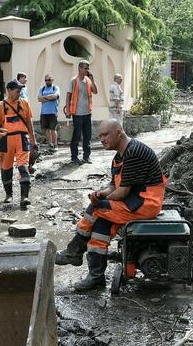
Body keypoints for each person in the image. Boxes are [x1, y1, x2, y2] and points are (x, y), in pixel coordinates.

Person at [55, 120, 167, 290]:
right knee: (101, 227)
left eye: (105, 134)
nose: (102, 139)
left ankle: (73, 252)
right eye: (100, 135)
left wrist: (100, 202)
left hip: (145, 203)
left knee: (97, 208)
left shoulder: (134, 152)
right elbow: (113, 186)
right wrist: (101, 194)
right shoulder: (119, 156)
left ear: (119, 132)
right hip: (133, 201)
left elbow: (121, 192)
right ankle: (96, 278)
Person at [0, 79, 37, 210]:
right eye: (17, 90)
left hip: (22, 138)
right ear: (9, 90)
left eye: (20, 90)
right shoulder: (1, 105)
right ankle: (8, 195)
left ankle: (24, 197)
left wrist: (33, 141)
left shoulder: (25, 103)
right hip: (6, 140)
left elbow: (29, 123)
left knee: (23, 167)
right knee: (6, 168)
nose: (19, 92)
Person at [64, 60, 97, 165]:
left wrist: (92, 79)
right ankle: (74, 157)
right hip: (77, 113)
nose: (87, 70)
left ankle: (86, 157)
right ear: (79, 68)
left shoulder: (88, 80)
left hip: (87, 113)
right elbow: (68, 97)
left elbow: (95, 91)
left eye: (88, 68)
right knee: (76, 136)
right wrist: (68, 111)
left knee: (87, 136)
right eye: (85, 68)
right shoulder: (73, 81)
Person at [37, 74, 60, 152]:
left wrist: (45, 98)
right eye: (46, 80)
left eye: (49, 80)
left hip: (53, 111)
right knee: (46, 129)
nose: (47, 81)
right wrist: (50, 98)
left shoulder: (55, 88)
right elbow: (39, 99)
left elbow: (56, 96)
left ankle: (55, 144)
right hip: (44, 112)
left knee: (53, 129)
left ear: (52, 80)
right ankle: (50, 144)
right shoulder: (42, 88)